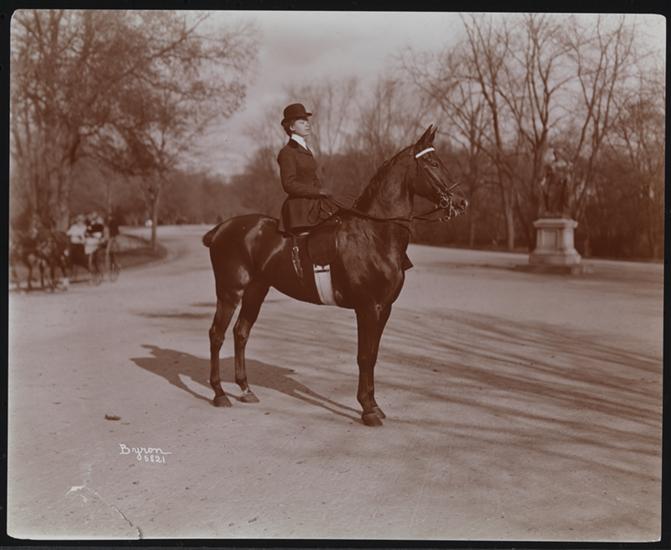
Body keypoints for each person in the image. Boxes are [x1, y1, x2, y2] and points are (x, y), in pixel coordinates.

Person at [276, 103, 336, 234]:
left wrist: (324, 194)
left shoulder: (306, 149)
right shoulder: (287, 152)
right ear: (292, 127)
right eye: (302, 122)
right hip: (300, 211)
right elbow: (289, 184)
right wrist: (317, 191)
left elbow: (312, 177)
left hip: (314, 205)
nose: (307, 124)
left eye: (307, 121)